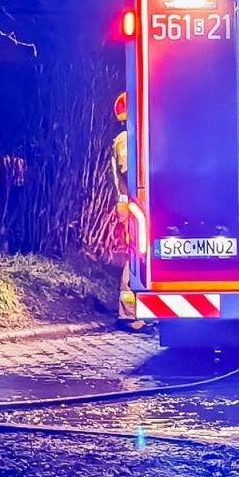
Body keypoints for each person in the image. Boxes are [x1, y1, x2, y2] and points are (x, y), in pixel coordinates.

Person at [110, 92, 143, 330]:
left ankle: (133, 312)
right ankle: (129, 315)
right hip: (131, 206)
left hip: (133, 204)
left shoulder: (131, 136)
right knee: (135, 256)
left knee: (137, 256)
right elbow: (129, 171)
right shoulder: (125, 139)